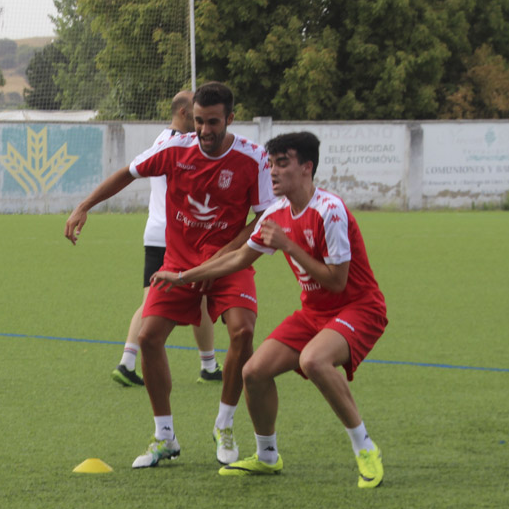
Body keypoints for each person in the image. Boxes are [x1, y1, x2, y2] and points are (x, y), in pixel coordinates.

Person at [152, 131, 388, 488]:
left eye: (282, 163)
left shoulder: (330, 211)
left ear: (306, 168)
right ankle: (267, 456)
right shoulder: (276, 213)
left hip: (359, 308)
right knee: (254, 372)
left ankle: (365, 448)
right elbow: (238, 259)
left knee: (313, 360)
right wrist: (184, 277)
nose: (273, 172)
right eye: (271, 164)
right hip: (315, 313)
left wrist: (288, 246)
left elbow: (337, 282)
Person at [66, 82, 274, 468]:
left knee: (243, 332)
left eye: (213, 122)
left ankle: (224, 424)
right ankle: (164, 436)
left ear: (230, 118)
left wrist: (224, 256)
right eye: (199, 122)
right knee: (147, 337)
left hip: (228, 263)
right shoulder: (174, 149)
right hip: (177, 262)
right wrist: (84, 205)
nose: (205, 131)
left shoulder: (254, 158)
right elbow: (127, 173)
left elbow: (264, 220)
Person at [111, 89, 222, 389]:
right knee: (158, 301)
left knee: (195, 296)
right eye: (196, 116)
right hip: (172, 235)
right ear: (184, 114)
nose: (201, 126)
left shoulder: (163, 141)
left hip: (157, 230)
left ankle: (208, 364)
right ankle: (130, 361)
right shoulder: (177, 145)